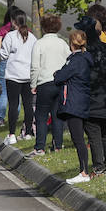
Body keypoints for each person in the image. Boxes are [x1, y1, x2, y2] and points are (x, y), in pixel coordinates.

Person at [76, 14, 106, 175]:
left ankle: (99, 167)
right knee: (105, 133)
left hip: (92, 98)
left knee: (93, 133)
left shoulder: (84, 53)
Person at [53, 29, 95, 184]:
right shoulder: (86, 58)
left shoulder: (75, 60)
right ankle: (92, 169)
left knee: (78, 139)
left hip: (74, 102)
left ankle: (84, 172)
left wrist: (57, 74)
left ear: (71, 43)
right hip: (83, 99)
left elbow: (60, 77)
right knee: (86, 138)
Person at [29, 14, 70, 156]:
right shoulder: (63, 43)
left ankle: (39, 147)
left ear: (43, 27)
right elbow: (68, 62)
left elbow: (35, 66)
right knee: (57, 115)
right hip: (60, 83)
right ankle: (57, 145)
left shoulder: (39, 44)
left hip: (44, 83)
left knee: (41, 116)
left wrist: (33, 84)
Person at [0, 13, 36, 144]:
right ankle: (28, 132)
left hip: (13, 76)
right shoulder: (32, 37)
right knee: (28, 105)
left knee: (13, 104)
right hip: (28, 76)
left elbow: (3, 55)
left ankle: (12, 134)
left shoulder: (10, 36)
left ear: (13, 22)